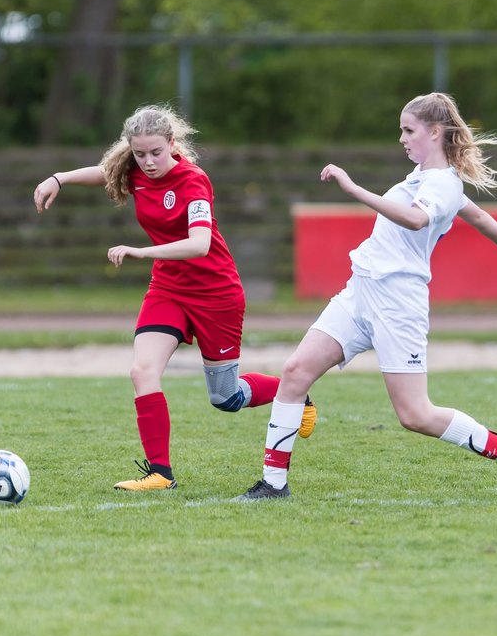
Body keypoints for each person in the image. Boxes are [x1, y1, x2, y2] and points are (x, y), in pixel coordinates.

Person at [234, 92, 497, 501]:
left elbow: (417, 219)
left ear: (435, 132)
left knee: (415, 415)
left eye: (409, 130)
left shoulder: (441, 182)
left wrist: (354, 188)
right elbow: (477, 214)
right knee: (295, 373)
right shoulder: (424, 177)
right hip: (361, 290)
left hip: (398, 302)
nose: (401, 138)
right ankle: (273, 485)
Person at [32, 104, 315, 491]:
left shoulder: (193, 181)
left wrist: (140, 252)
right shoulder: (133, 170)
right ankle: (160, 474)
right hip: (168, 288)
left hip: (216, 294)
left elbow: (199, 245)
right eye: (139, 154)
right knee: (141, 370)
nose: (147, 162)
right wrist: (58, 179)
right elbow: (105, 172)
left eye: (155, 153)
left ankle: (295, 393)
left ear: (172, 144)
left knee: (226, 398)